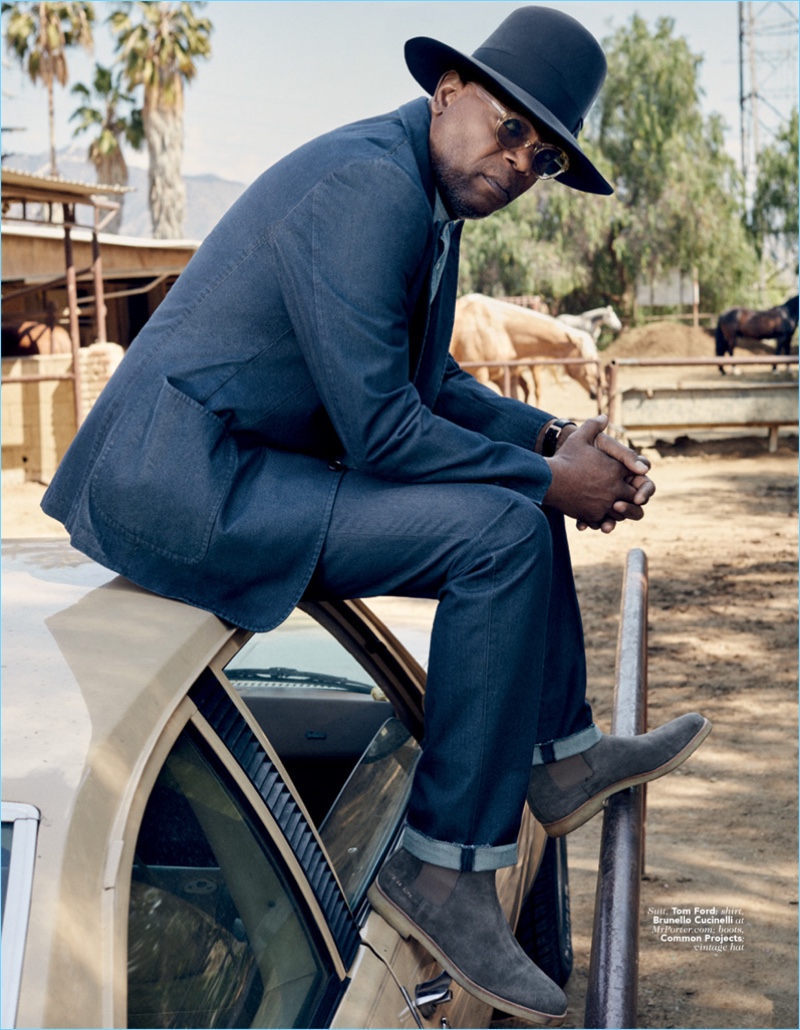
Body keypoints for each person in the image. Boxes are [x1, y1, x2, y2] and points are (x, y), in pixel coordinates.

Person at [42, 5, 710, 1024]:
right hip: (179, 483)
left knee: (512, 509)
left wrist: (547, 443)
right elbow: (382, 431)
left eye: (543, 152)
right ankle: (441, 872)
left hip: (244, 465)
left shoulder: (425, 199)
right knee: (498, 528)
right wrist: (545, 482)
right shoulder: (369, 187)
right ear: (446, 95)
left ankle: (560, 756)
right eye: (511, 127)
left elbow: (428, 382)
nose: (522, 159)